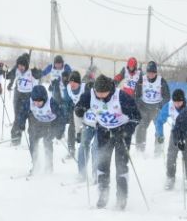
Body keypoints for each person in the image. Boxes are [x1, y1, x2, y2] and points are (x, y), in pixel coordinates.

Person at [73, 74, 139, 209]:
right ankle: (103, 194)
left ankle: (121, 197)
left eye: (104, 93)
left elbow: (136, 117)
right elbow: (79, 106)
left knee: (121, 165)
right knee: (102, 164)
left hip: (121, 133)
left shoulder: (121, 97)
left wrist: (126, 130)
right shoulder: (90, 95)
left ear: (110, 90)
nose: (101, 96)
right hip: (104, 132)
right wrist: (80, 110)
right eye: (98, 93)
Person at [26, 84, 64, 175]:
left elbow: (61, 117)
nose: (37, 104)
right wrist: (20, 123)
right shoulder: (30, 101)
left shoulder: (51, 103)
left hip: (50, 123)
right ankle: (35, 164)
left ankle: (48, 166)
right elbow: (22, 111)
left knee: (47, 141)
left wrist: (59, 131)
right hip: (37, 121)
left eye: (40, 102)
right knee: (33, 140)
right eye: (35, 101)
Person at [134, 61, 169, 156]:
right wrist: (139, 104)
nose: (150, 74)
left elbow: (167, 97)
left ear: (156, 72)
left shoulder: (161, 81)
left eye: (153, 73)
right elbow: (136, 95)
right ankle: (140, 149)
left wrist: (161, 105)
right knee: (141, 127)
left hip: (156, 107)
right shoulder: (142, 80)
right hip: (145, 107)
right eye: (149, 72)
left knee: (158, 127)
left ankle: (158, 150)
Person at [5, 53, 39, 147]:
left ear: (26, 65)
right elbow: (7, 76)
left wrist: (37, 72)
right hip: (19, 95)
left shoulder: (31, 72)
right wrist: (4, 71)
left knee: (31, 118)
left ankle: (33, 140)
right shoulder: (16, 70)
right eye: (19, 66)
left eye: (22, 66)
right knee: (18, 117)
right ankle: (15, 139)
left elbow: (39, 74)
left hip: (29, 96)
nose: (20, 68)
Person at [162, 89, 187, 190]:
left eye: (179, 102)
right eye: (175, 101)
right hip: (175, 132)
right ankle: (170, 178)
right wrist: (159, 134)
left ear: (183, 100)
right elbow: (159, 120)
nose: (177, 104)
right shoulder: (169, 105)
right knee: (171, 156)